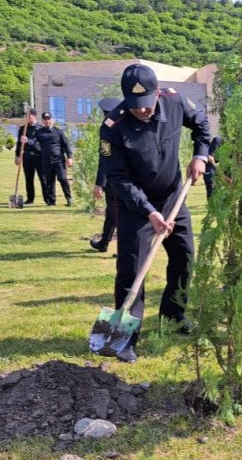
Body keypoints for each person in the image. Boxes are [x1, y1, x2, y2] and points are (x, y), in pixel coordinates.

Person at [99, 64, 211, 363]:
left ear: (156, 93)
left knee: (184, 257)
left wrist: (200, 156)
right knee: (132, 269)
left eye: (146, 105)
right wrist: (148, 211)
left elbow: (201, 124)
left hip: (173, 196)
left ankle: (174, 315)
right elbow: (118, 178)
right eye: (134, 107)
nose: (141, 111)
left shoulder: (174, 100)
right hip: (137, 206)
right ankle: (126, 337)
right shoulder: (113, 126)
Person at [90, 98, 121, 252]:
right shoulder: (127, 126)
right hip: (129, 180)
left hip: (115, 181)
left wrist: (100, 183)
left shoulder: (108, 129)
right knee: (112, 213)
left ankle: (124, 249)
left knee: (117, 214)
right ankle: (104, 242)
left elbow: (106, 158)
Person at [37, 111, 73, 206]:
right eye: (45, 119)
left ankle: (69, 199)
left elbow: (66, 145)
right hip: (46, 160)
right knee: (49, 181)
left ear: (52, 120)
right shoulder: (39, 132)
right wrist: (27, 140)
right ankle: (51, 201)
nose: (47, 121)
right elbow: (33, 142)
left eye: (49, 119)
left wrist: (69, 157)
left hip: (58, 159)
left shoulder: (59, 131)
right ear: (43, 121)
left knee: (62, 178)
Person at [14, 108, 48, 205]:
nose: (27, 118)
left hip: (39, 156)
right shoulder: (23, 128)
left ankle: (47, 199)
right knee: (28, 178)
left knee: (43, 178)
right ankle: (30, 198)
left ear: (34, 116)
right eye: (26, 116)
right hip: (27, 156)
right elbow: (19, 144)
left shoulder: (40, 128)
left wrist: (27, 140)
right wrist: (17, 155)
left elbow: (36, 141)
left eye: (29, 116)